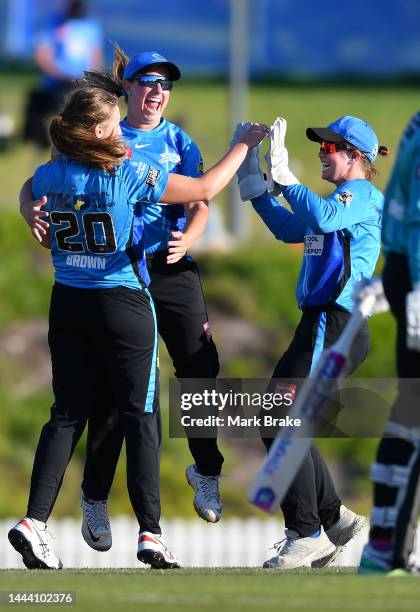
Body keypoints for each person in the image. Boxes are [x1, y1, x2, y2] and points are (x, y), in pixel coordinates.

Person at [9, 83, 268, 570]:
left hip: (66, 303)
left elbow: (30, 187)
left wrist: (28, 210)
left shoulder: (53, 173)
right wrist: (244, 144)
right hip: (122, 303)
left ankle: (34, 522)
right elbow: (205, 189)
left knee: (66, 415)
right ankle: (151, 532)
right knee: (141, 415)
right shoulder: (127, 173)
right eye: (115, 124)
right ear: (104, 130)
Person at [232, 115, 388, 569]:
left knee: (276, 415)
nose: (322, 154)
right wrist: (258, 189)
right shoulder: (338, 204)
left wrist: (285, 177)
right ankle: (332, 517)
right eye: (320, 148)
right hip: (323, 325)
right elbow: (290, 228)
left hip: (336, 323)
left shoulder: (359, 196)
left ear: (354, 157)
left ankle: (306, 531)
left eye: (329, 149)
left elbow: (321, 214)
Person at [359, 111, 420, 575]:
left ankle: (387, 541)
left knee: (410, 410)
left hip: (407, 274)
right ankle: (392, 546)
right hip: (415, 279)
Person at [23, 0, 103, 149]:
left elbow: (95, 58)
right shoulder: (52, 23)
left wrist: (86, 78)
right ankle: (39, 143)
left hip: (80, 83)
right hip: (56, 82)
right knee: (36, 103)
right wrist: (59, 74)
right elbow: (42, 55)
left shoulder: (91, 27)